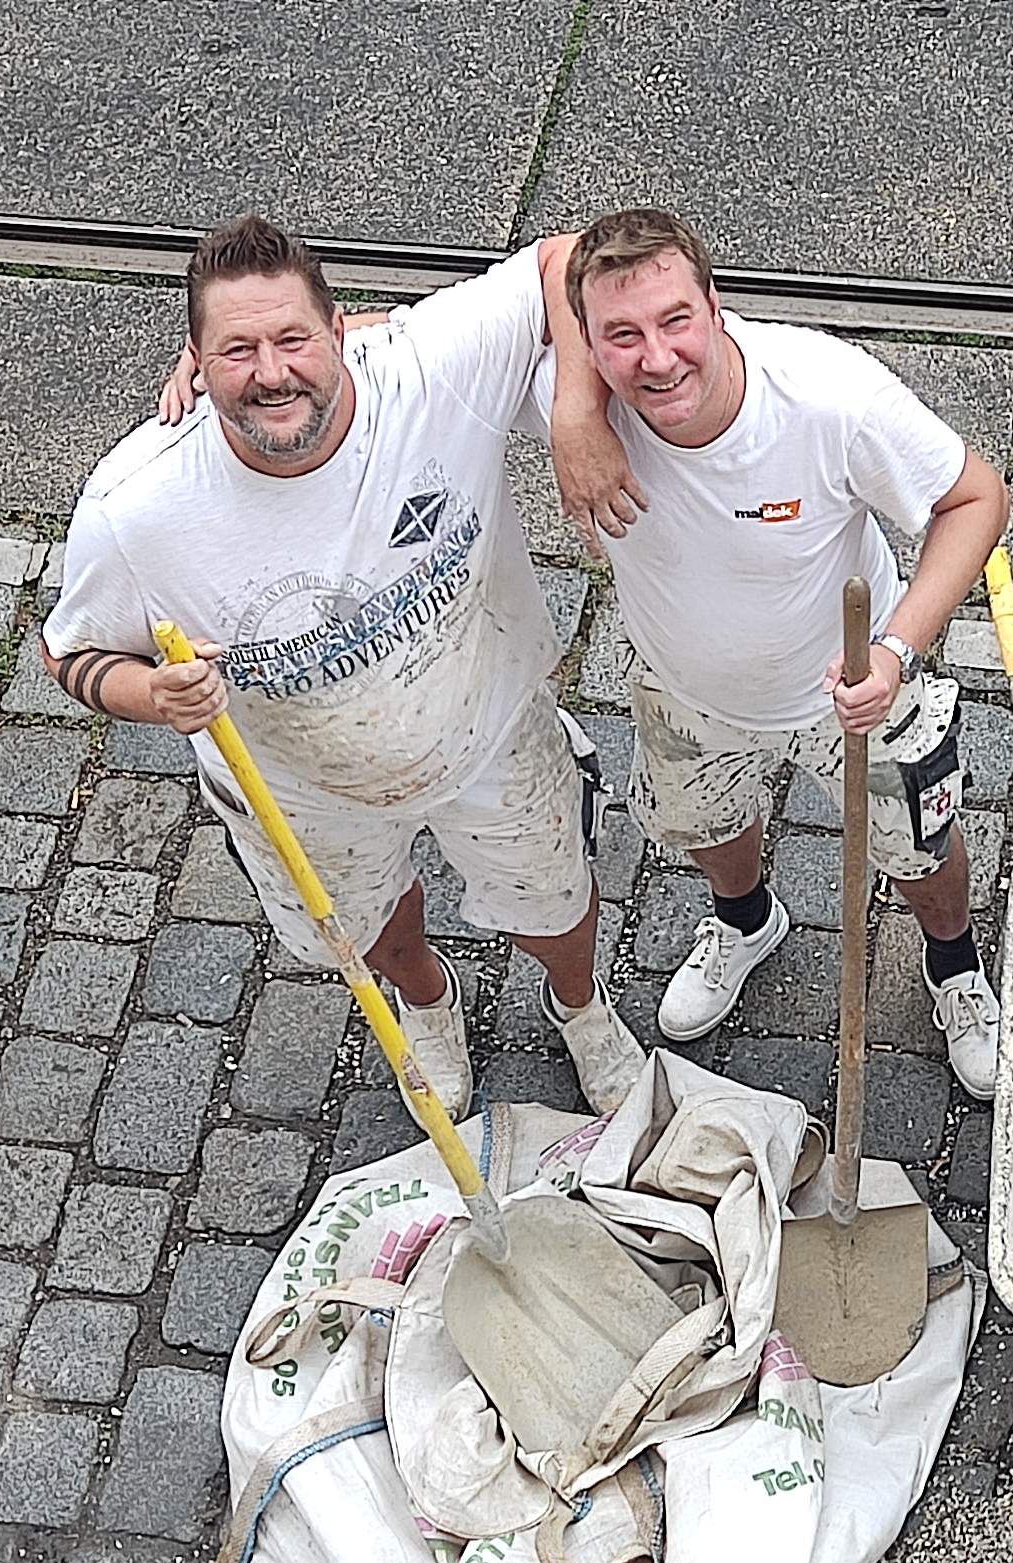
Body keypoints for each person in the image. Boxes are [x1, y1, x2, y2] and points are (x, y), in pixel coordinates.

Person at [40, 216, 643, 1115]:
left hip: (489, 737)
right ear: (195, 365)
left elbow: (565, 257)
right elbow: (73, 653)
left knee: (557, 902)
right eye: (236, 350)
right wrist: (151, 694)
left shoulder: (429, 370)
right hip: (305, 795)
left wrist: (576, 412)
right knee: (369, 932)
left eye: (291, 338)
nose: (271, 373)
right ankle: (427, 1001)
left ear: (340, 330)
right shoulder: (137, 506)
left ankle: (580, 1006)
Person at [542, 208, 1013, 1100]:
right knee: (706, 828)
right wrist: (574, 405)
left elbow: (976, 498)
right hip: (687, 692)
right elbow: (388, 356)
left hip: (851, 686)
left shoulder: (829, 399)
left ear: (716, 306)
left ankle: (954, 966)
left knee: (917, 842)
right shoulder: (581, 401)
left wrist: (895, 654)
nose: (657, 358)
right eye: (622, 336)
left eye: (676, 320)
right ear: (591, 344)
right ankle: (747, 921)